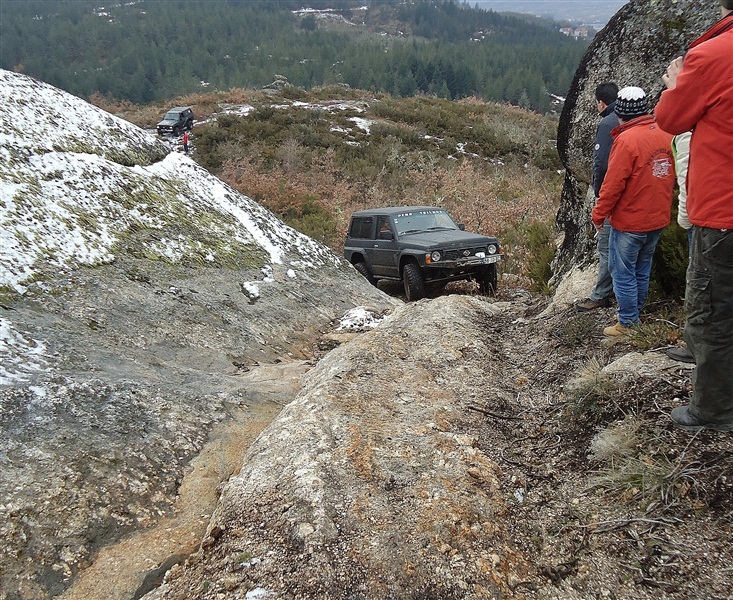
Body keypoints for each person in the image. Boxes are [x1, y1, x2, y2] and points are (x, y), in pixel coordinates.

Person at [655, 0, 733, 431]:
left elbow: (670, 118)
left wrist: (675, 81)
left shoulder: (714, 55)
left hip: (724, 212)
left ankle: (714, 411)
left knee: (714, 312)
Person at [591, 86, 675, 337]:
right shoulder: (664, 133)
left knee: (623, 271)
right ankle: (635, 314)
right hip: (657, 217)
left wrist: (599, 214)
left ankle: (627, 323)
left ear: (621, 113)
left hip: (631, 220)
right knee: (642, 268)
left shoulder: (626, 140)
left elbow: (612, 184)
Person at [576, 82, 619, 312]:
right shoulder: (637, 118)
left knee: (606, 245)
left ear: (601, 103)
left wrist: (599, 193)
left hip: (612, 194)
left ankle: (601, 294)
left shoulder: (607, 123)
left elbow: (600, 163)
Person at [665, 131, 696, 363]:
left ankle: (696, 345)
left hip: (702, 218)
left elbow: (686, 176)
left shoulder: (687, 132)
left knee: (699, 284)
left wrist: (684, 218)